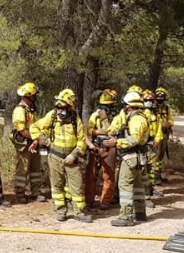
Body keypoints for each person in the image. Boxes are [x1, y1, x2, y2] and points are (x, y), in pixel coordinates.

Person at [29, 89, 91, 223]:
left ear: (69, 107)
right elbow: (34, 127)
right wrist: (44, 141)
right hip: (55, 156)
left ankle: (79, 212)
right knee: (57, 185)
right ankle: (60, 211)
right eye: (58, 107)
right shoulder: (51, 116)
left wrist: (74, 154)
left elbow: (81, 140)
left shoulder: (75, 119)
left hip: (72, 158)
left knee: (77, 185)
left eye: (63, 108)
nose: (60, 110)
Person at [103, 90, 150, 227]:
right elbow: (112, 129)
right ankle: (140, 213)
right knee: (137, 185)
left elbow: (134, 139)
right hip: (136, 157)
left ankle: (126, 216)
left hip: (131, 156)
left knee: (124, 184)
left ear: (128, 105)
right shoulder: (133, 117)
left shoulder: (136, 119)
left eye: (124, 105)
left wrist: (116, 143)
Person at [11, 82, 46, 204]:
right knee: (22, 169)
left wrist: (37, 140)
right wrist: (36, 139)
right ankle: (20, 192)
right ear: (28, 96)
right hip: (24, 144)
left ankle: (35, 192)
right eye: (33, 95)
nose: (35, 97)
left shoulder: (31, 110)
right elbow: (22, 130)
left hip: (34, 142)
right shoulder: (19, 110)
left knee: (36, 168)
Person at [85, 88, 119, 211]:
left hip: (110, 148)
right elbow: (88, 130)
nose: (105, 109)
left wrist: (106, 126)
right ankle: (89, 200)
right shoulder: (95, 115)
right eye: (103, 106)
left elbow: (115, 131)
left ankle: (105, 200)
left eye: (108, 106)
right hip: (96, 146)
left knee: (108, 175)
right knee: (91, 174)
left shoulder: (118, 116)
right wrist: (99, 131)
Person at [152, 87, 173, 185]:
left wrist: (168, 124)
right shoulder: (152, 107)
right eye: (158, 96)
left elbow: (171, 120)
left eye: (162, 96)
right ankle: (153, 176)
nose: (160, 98)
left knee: (161, 155)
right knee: (154, 155)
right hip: (155, 135)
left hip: (164, 134)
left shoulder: (167, 108)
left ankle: (158, 174)